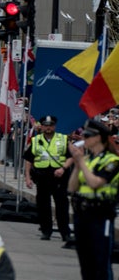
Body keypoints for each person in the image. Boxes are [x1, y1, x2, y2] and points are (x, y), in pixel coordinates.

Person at [68, 119, 119, 280]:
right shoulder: (88, 160)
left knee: (101, 263)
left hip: (100, 215)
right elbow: (72, 187)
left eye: (88, 135)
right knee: (86, 262)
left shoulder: (111, 161)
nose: (85, 138)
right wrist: (77, 164)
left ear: (98, 138)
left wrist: (81, 162)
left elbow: (95, 183)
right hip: (82, 215)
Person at [23, 115, 73, 241]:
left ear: (54, 126)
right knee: (43, 205)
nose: (48, 128)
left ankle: (65, 232)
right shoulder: (35, 140)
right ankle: (46, 231)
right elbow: (29, 159)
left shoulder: (63, 139)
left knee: (62, 205)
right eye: (45, 125)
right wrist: (27, 177)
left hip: (59, 176)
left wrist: (63, 169)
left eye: (50, 125)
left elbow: (71, 156)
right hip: (42, 176)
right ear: (42, 126)